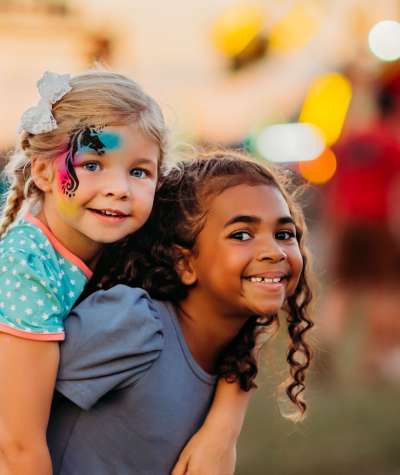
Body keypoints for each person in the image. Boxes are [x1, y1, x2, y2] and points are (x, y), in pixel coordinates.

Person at [0, 71, 256, 475]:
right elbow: (16, 447)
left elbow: (247, 299)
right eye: (92, 164)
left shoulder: (125, 231)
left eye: (138, 172)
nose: (120, 188)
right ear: (45, 173)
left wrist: (223, 427)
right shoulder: (26, 269)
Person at [47, 151, 314, 474]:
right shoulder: (133, 322)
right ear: (184, 262)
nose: (274, 251)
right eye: (241, 234)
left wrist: (223, 430)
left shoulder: (234, 349)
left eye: (284, 234)